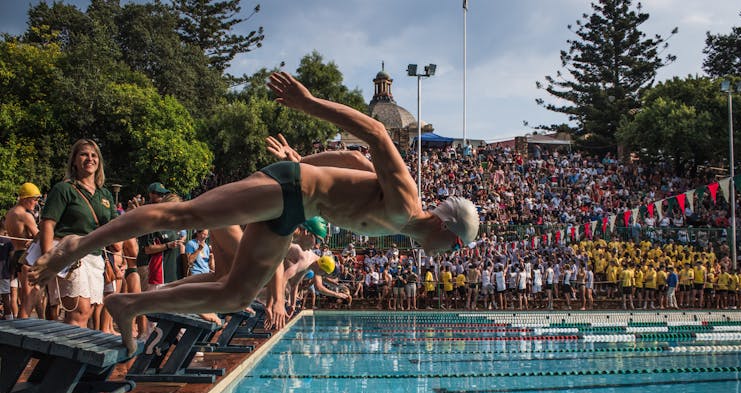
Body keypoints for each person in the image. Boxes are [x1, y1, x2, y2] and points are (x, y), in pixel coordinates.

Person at [31, 72, 479, 353]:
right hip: (288, 189)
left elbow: (357, 165)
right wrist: (306, 107)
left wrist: (301, 155)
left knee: (236, 295)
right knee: (180, 216)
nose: (449, 254)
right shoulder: (407, 203)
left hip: (292, 208)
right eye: (455, 246)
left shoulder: (399, 221)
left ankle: (129, 303)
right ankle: (79, 244)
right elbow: (377, 135)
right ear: (445, 226)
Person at [37, 139, 117, 327]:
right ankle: (69, 356)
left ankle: (61, 354)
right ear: (74, 161)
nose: (90, 158)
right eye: (84, 154)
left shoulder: (105, 194)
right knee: (78, 312)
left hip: (95, 257)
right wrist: (49, 258)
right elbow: (48, 224)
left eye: (94, 155)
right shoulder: (63, 189)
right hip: (70, 254)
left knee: (87, 311)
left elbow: (115, 224)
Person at [5, 183, 42, 318]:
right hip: (25, 256)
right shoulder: (25, 215)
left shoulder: (10, 213)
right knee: (28, 297)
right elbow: (40, 236)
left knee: (29, 294)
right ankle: (23, 327)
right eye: (35, 199)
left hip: (15, 254)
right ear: (26, 199)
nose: (36, 203)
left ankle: (40, 320)